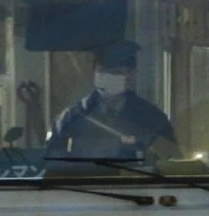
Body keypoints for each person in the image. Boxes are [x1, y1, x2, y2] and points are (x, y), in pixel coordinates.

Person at [46, 42, 177, 162]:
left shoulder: (152, 118)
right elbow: (51, 165)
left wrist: (143, 135)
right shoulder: (71, 117)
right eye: (102, 71)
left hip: (138, 186)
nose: (108, 77)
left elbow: (173, 161)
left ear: (131, 76)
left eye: (115, 72)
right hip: (82, 185)